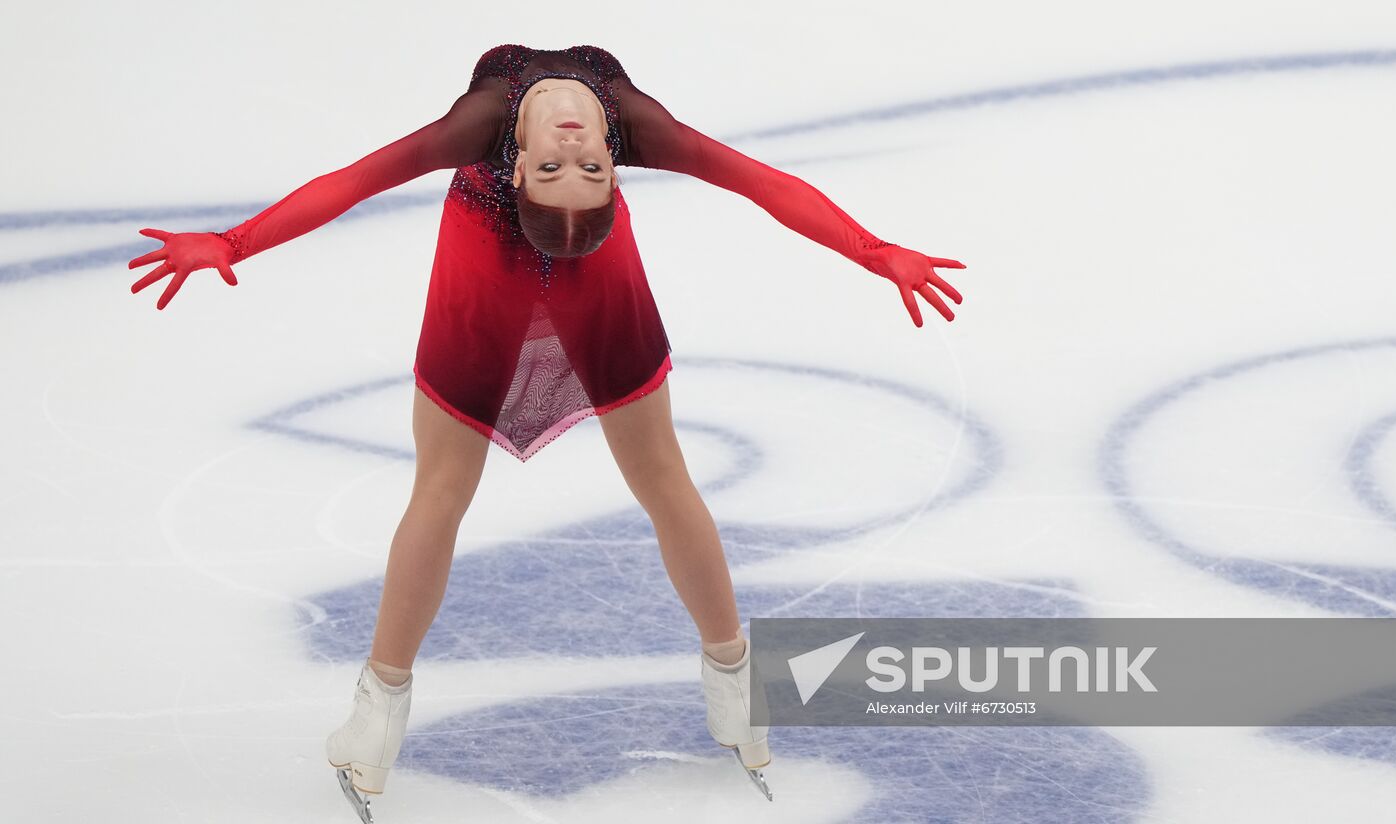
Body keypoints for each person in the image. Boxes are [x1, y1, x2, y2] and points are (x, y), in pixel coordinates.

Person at [128, 42, 966, 814]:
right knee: (479, 486)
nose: (573, 142)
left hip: (576, 275)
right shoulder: (591, 122)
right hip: (493, 271)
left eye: (587, 164)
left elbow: (757, 182)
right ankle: (725, 686)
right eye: (568, 163)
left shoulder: (505, 121)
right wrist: (233, 245)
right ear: (517, 166)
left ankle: (389, 716)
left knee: (619, 479)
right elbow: (360, 178)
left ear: (607, 172)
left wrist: (873, 249)